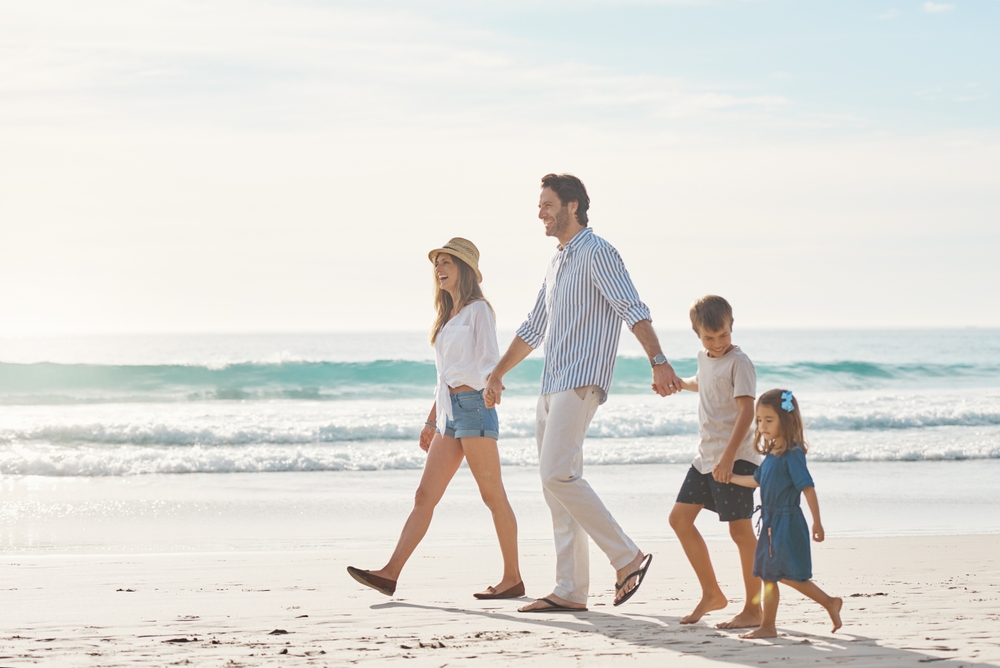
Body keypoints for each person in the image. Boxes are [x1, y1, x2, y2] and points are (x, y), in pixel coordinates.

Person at [484, 173, 682, 613]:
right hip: (551, 383)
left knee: (557, 473)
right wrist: (497, 373)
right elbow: (534, 327)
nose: (540, 213)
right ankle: (570, 590)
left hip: (581, 378)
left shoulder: (598, 252)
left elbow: (632, 308)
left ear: (572, 206)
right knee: (554, 483)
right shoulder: (556, 261)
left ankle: (627, 556)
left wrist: (658, 360)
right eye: (540, 205)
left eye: (548, 204)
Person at [347, 238, 523, 600]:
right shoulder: (448, 317)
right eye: (437, 263)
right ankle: (390, 573)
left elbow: (489, 357)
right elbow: (445, 377)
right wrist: (431, 421)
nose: (440, 269)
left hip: (475, 405)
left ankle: (512, 578)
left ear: (465, 270)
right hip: (449, 413)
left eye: (447, 263)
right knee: (424, 495)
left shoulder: (478, 310)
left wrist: (495, 384)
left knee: (493, 497)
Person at [671, 295, 762, 628]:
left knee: (740, 533)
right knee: (679, 520)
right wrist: (679, 384)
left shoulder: (740, 362)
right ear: (697, 335)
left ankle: (754, 608)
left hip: (735, 460)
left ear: (731, 326)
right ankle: (712, 594)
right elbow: (704, 382)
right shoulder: (704, 357)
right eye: (709, 337)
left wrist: (728, 459)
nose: (718, 342)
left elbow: (747, 411)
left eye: (722, 335)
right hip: (705, 458)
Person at [730, 389, 843, 638]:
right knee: (769, 575)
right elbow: (757, 480)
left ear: (787, 420)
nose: (762, 425)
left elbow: (808, 487)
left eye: (769, 420)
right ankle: (819, 606)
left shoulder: (792, 454)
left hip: (786, 521)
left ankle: (820, 606)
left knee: (778, 575)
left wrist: (817, 522)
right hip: (770, 521)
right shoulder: (771, 454)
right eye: (759, 420)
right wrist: (731, 477)